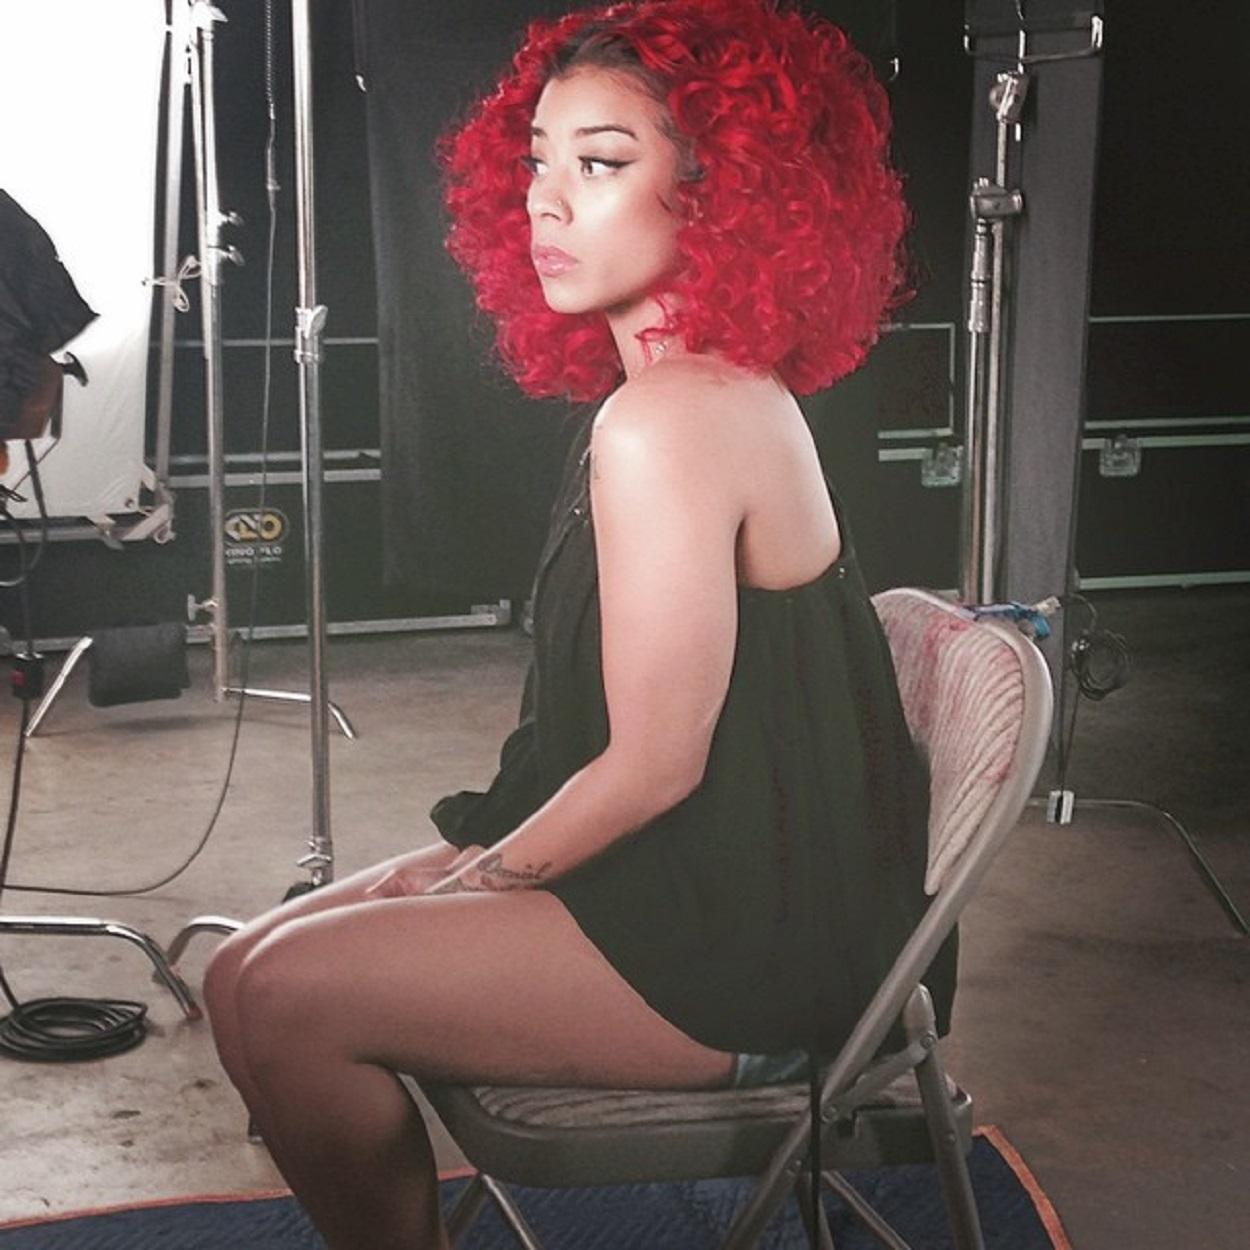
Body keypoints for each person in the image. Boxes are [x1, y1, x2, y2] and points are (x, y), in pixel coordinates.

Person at [203, 2, 956, 1247]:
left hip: (742, 946)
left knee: (280, 993)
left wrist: (470, 881)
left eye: (600, 163)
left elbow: (655, 763)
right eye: (536, 160)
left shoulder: (676, 417)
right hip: (700, 883)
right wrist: (470, 856)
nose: (544, 202)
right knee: (239, 967)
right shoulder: (662, 389)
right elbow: (596, 740)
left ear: (723, 193)